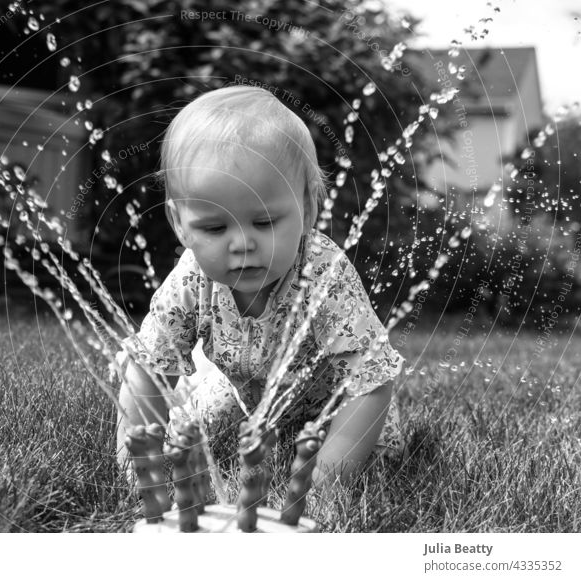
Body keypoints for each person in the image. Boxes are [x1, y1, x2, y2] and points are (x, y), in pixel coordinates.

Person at [116, 85, 405, 496]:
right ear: (179, 223)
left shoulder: (323, 274)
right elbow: (148, 368)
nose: (242, 244)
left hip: (338, 411)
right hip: (252, 401)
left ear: (306, 210)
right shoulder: (192, 276)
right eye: (215, 227)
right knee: (196, 429)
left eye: (265, 222)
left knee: (376, 461)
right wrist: (137, 468)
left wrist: (322, 485)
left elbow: (370, 381)